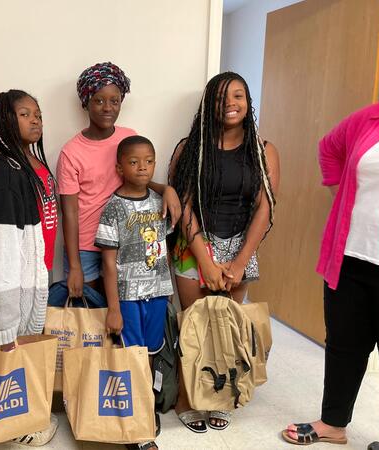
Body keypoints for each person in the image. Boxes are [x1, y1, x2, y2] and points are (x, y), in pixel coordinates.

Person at [169, 72, 279, 432]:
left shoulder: (264, 151)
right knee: (194, 324)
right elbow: (182, 205)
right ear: (209, 104)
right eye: (221, 97)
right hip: (194, 245)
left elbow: (265, 207)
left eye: (238, 95)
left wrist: (239, 260)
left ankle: (220, 395)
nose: (230, 103)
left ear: (248, 103)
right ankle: (187, 396)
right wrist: (205, 259)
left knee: (227, 328)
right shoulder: (190, 148)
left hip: (239, 248)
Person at [282, 100, 379, 450]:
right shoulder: (374, 116)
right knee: (344, 345)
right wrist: (338, 189)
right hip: (349, 255)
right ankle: (333, 423)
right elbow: (328, 147)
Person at [0, 90, 58, 446]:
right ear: (5, 120)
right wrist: (3, 324)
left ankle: (28, 416)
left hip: (34, 278)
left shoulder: (32, 164)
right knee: (13, 358)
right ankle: (20, 424)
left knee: (28, 354)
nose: (35, 119)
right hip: (15, 288)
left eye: (37, 113)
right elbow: (1, 253)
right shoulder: (6, 171)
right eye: (24, 114)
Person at [56, 62, 181, 300]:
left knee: (118, 314)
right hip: (86, 247)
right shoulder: (71, 152)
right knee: (89, 318)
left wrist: (167, 189)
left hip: (125, 242)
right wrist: (74, 266)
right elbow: (69, 212)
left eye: (115, 101)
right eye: (99, 100)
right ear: (86, 102)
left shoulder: (129, 137)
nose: (107, 108)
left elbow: (139, 180)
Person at [95, 135, 174, 450]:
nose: (142, 167)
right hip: (127, 298)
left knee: (152, 354)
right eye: (133, 162)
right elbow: (109, 265)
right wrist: (113, 308)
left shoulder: (160, 202)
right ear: (119, 167)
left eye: (149, 161)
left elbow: (163, 248)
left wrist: (166, 289)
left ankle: (148, 408)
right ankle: (138, 429)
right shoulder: (113, 208)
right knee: (133, 358)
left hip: (157, 294)